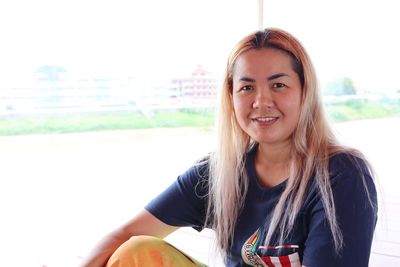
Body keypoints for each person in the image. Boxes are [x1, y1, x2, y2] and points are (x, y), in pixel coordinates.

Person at [80, 28, 378, 267]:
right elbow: (127, 233)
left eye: (278, 85)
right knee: (137, 251)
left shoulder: (342, 176)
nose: (261, 101)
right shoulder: (218, 172)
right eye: (246, 87)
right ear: (231, 97)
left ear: (305, 92)